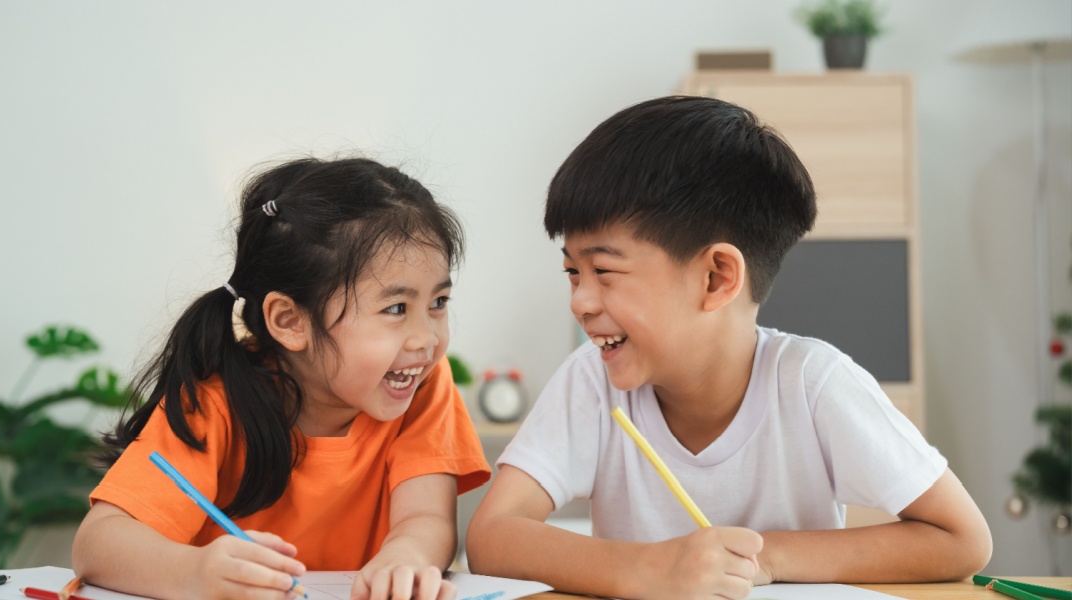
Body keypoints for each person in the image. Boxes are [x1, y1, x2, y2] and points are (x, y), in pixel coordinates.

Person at [466, 96, 992, 600]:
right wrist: (647, 569)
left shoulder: (813, 384)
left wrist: (765, 559)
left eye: (603, 271)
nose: (580, 301)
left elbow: (962, 539)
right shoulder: (590, 382)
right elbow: (491, 536)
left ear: (717, 278)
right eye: (572, 272)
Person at [73, 157, 491, 600]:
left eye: (439, 302)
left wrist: (406, 556)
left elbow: (425, 519)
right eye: (395, 309)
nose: (426, 340)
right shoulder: (213, 402)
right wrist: (195, 572)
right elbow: (97, 544)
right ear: (290, 321)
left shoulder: (422, 386)